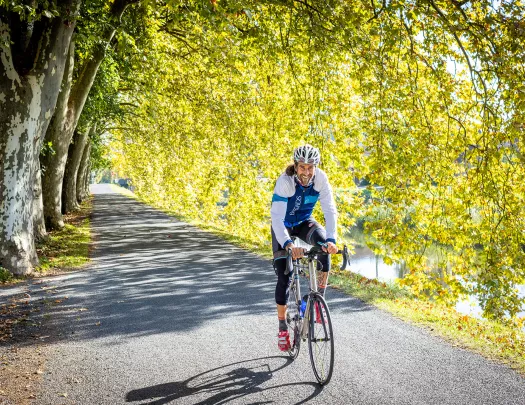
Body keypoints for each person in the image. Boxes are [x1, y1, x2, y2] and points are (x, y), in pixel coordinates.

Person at [270, 144, 338, 352]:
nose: (306, 172)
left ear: (315, 167)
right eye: (302, 167)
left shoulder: (321, 179)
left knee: (325, 251)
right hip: (283, 228)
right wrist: (288, 244)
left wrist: (332, 239)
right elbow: (277, 218)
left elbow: (329, 210)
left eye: (310, 167)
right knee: (284, 276)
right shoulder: (285, 182)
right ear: (296, 165)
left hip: (304, 223)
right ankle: (283, 327)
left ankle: (318, 304)